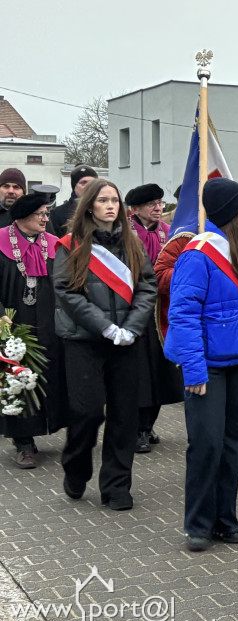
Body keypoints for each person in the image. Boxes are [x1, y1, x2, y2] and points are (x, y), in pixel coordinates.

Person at [164, 178, 238, 552]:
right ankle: (197, 524)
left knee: (236, 443)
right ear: (231, 210)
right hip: (208, 369)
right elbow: (182, 315)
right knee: (206, 446)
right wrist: (194, 370)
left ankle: (224, 518)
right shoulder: (197, 255)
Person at [54, 179, 156, 511]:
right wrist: (106, 327)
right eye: (103, 200)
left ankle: (116, 486)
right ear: (89, 206)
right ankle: (76, 467)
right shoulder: (69, 245)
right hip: (84, 340)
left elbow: (147, 287)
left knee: (125, 415)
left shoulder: (133, 243)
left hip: (126, 340)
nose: (111, 206)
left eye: (115, 200)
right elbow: (67, 292)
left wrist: (131, 327)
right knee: (87, 412)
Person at [0, 193, 66, 468]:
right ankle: (23, 443)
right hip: (13, 324)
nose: (46, 218)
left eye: (47, 213)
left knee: (53, 376)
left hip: (50, 325)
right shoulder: (1, 240)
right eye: (41, 213)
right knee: (18, 379)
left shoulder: (54, 244)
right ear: (23, 216)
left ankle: (55, 424)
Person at [124, 183, 180, 454]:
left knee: (158, 369)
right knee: (138, 371)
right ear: (135, 209)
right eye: (151, 204)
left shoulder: (170, 234)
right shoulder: (123, 233)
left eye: (160, 203)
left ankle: (148, 425)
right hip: (132, 310)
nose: (158, 208)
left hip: (162, 311)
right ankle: (136, 428)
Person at [50, 164, 97, 236]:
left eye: (93, 183)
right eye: (84, 183)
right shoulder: (57, 214)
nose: (89, 186)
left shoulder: (102, 211)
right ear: (74, 186)